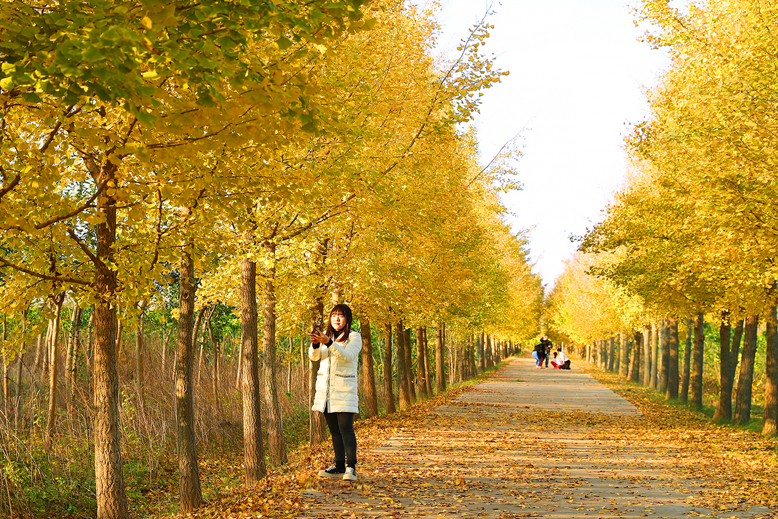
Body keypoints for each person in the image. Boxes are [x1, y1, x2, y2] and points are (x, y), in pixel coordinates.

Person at [310, 304, 363, 481]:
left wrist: (329, 343)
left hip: (345, 390)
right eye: (334, 316)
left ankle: (351, 468)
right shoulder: (328, 337)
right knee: (334, 430)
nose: (337, 319)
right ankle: (339, 465)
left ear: (347, 319)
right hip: (326, 392)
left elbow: (347, 356)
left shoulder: (354, 337)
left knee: (346, 428)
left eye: (341, 316)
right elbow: (314, 357)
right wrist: (315, 344)